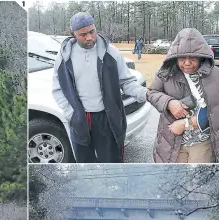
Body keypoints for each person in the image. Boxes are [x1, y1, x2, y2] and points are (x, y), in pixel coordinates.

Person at [53, 12, 148, 163]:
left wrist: (145, 94)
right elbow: (58, 89)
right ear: (73, 34)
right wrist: (71, 114)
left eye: (92, 32)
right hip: (80, 118)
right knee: (85, 164)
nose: (89, 37)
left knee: (112, 163)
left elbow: (126, 82)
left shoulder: (111, 53)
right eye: (83, 34)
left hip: (107, 118)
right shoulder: (64, 57)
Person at [146, 28, 219, 163]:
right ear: (175, 57)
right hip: (171, 142)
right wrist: (169, 103)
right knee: (173, 180)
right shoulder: (166, 73)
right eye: (182, 58)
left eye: (193, 58)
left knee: (199, 181)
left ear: (202, 57)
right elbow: (152, 93)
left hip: (204, 144)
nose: (187, 63)